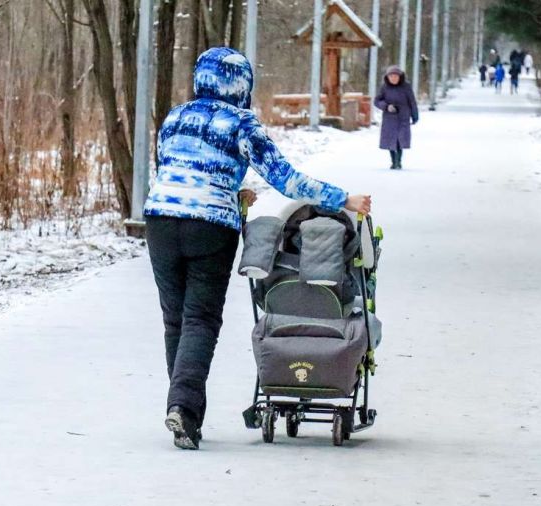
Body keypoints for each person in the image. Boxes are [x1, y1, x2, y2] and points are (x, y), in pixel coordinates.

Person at [143, 47, 372, 450]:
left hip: (160, 220)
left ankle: (185, 414)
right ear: (242, 85)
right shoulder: (241, 123)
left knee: (174, 320)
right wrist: (344, 199)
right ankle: (182, 407)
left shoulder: (175, 117)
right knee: (199, 319)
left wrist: (232, 189)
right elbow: (287, 180)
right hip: (209, 228)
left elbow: (175, 170)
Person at [374, 65, 418, 170]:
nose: (393, 78)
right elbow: (377, 101)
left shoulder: (406, 87)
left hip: (403, 117)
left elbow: (412, 102)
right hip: (389, 118)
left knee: (400, 140)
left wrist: (415, 115)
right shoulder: (384, 87)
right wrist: (386, 106)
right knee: (390, 140)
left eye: (395, 76)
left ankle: (398, 161)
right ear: (387, 77)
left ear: (400, 77)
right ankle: (393, 161)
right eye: (391, 76)